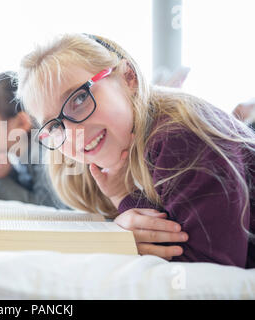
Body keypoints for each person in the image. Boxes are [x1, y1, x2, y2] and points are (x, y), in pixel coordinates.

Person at [16, 33, 255, 267]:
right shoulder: (114, 163)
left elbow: (208, 273)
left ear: (129, 77)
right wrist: (122, 196)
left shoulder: (179, 137)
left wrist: (124, 209)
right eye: (55, 125)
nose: (72, 131)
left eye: (79, 99)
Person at [0, 72, 67, 209]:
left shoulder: (45, 153)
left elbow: (46, 207)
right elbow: (30, 189)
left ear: (21, 123)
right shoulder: (24, 155)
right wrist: (9, 173)